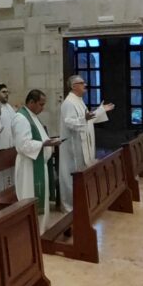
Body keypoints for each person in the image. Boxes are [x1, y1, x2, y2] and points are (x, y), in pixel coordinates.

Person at [59, 75, 114, 211]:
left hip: (82, 144)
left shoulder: (79, 100)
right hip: (73, 147)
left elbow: (87, 119)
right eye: (81, 83)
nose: (85, 85)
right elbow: (69, 122)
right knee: (73, 176)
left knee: (83, 174)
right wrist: (85, 117)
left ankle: (83, 203)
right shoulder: (69, 102)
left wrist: (100, 110)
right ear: (73, 86)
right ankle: (71, 207)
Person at [13, 89, 63, 228]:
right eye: (41, 104)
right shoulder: (21, 118)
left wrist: (49, 142)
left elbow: (41, 137)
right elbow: (23, 145)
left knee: (41, 199)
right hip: (29, 167)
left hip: (38, 163)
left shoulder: (33, 116)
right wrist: (44, 144)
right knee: (29, 199)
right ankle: (31, 232)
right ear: (31, 102)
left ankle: (41, 229)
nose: (43, 107)